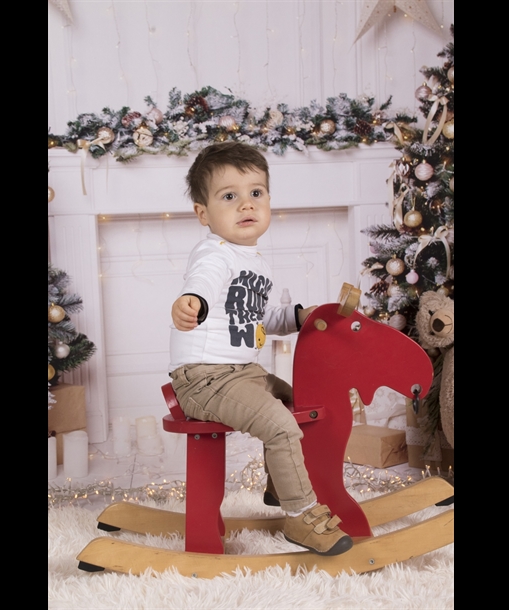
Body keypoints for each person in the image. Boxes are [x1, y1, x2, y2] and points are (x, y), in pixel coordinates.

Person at [168, 141, 353, 556]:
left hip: (240, 373)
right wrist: (192, 302)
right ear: (203, 214)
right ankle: (301, 515)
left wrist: (299, 316)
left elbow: (262, 317)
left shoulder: (255, 262)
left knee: (298, 400)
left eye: (256, 192)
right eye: (228, 196)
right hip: (205, 378)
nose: (246, 204)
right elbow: (202, 281)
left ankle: (280, 484)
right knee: (280, 423)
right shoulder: (214, 253)